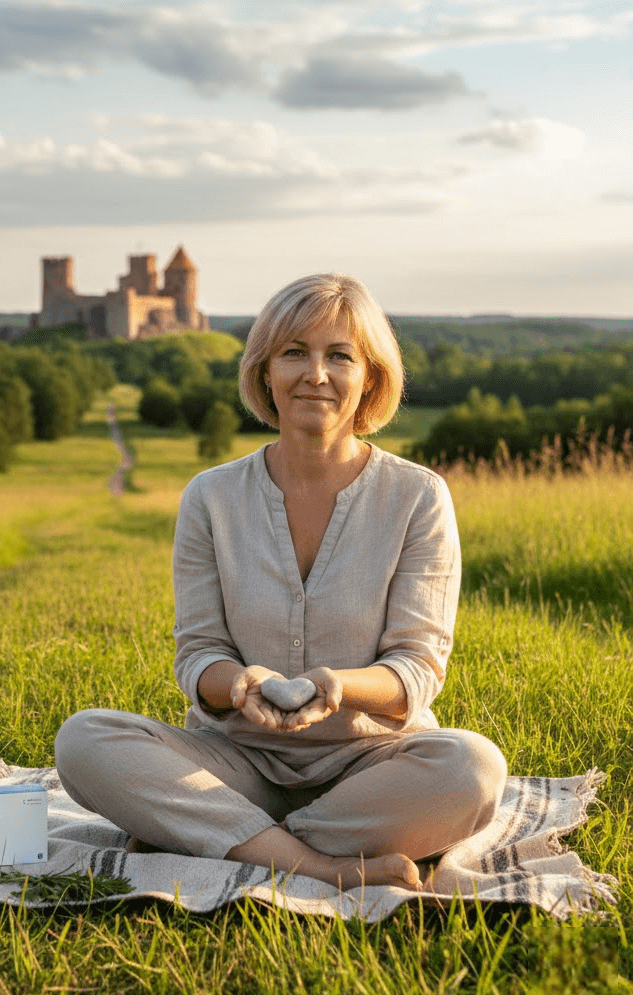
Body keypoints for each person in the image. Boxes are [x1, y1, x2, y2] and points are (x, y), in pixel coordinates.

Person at [55, 273, 507, 890]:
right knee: (84, 741)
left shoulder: (418, 496)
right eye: (294, 353)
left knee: (474, 768)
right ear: (265, 371)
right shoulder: (210, 496)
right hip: (234, 760)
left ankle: (214, 836)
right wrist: (238, 685)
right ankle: (315, 862)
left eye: (339, 356)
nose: (314, 374)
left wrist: (336, 687)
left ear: (370, 378)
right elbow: (198, 655)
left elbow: (417, 671)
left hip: (370, 765)